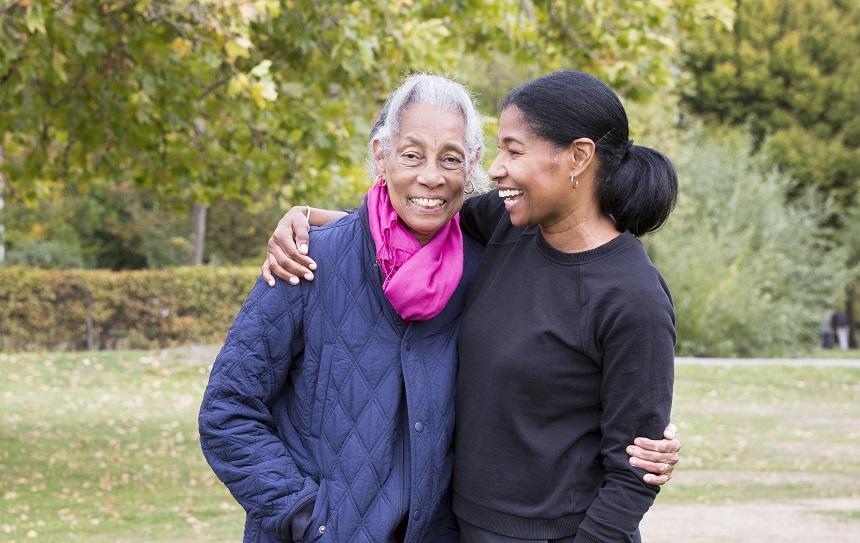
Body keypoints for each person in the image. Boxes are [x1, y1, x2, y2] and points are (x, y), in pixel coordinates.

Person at [263, 71, 681, 541]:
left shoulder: (633, 297)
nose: (496, 168)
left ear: (578, 157)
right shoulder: (507, 227)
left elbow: (632, 474)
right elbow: (417, 211)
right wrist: (311, 220)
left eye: (514, 150)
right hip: (460, 527)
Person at [199, 74, 488, 543]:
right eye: (412, 154)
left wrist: (635, 436)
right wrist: (305, 518)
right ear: (381, 155)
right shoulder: (308, 258)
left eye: (450, 158)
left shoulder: (485, 271)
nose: (431, 176)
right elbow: (228, 410)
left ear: (472, 165)